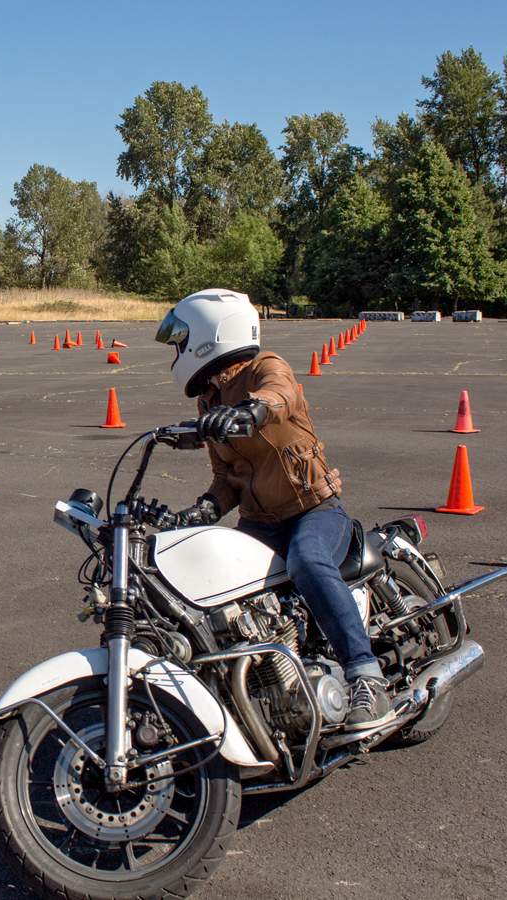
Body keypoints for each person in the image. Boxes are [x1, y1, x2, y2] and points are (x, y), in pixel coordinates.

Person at [153, 288, 392, 731]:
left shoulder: (266, 367)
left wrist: (254, 411)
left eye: (181, 340)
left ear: (210, 333)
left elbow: (280, 395)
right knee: (209, 578)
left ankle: (366, 676)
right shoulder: (208, 401)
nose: (177, 350)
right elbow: (227, 479)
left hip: (313, 510)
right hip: (258, 522)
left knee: (308, 560)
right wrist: (202, 512)